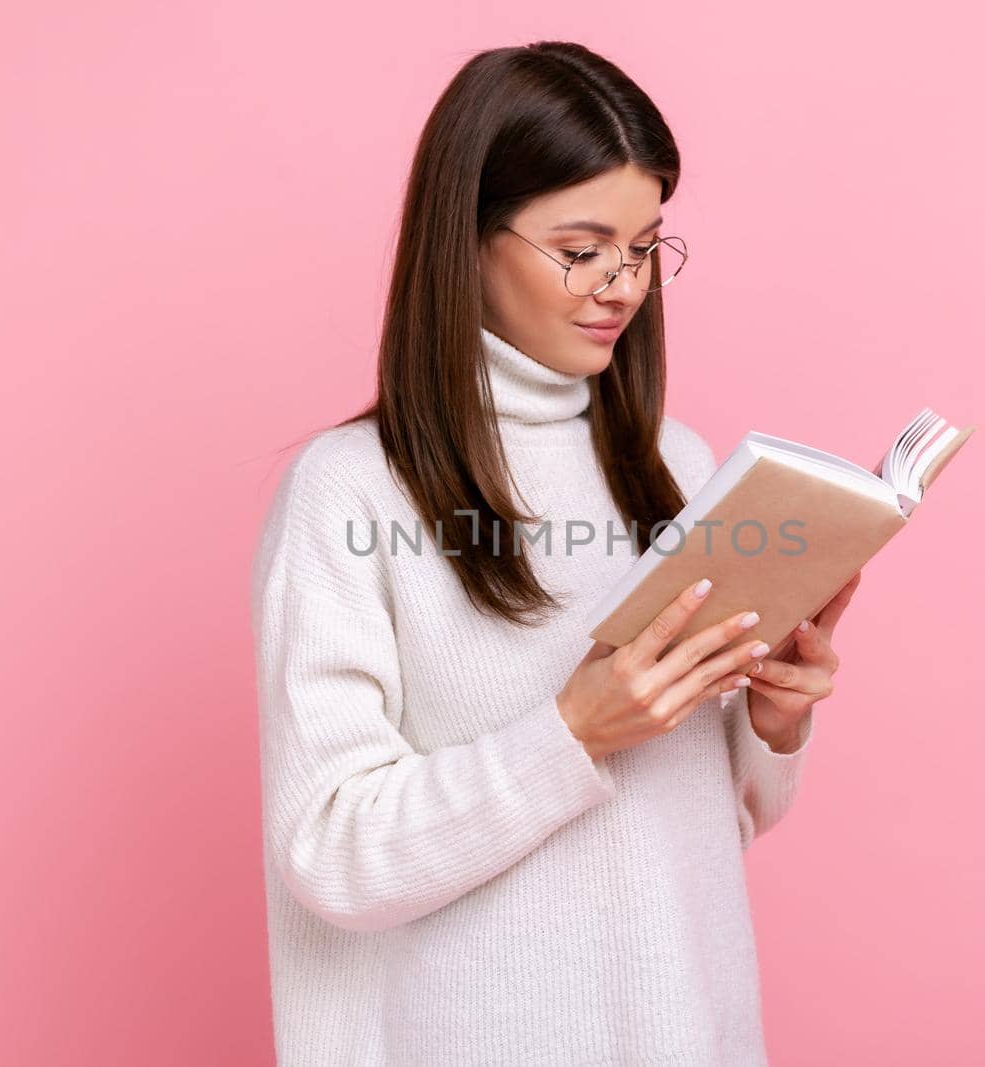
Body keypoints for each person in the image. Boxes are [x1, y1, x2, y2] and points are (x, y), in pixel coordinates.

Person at [250, 40, 860, 1066]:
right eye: (580, 249)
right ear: (468, 242)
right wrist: (572, 730)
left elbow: (709, 828)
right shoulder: (348, 490)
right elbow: (330, 850)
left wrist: (772, 718)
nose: (621, 285)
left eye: (644, 247)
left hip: (690, 1028)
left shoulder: (675, 464)